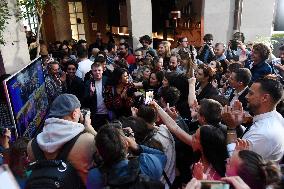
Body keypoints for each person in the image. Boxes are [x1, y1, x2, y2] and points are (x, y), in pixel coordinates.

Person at [27, 94, 96, 185]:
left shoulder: (31, 145)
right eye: (79, 113)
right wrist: (90, 128)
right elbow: (111, 153)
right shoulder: (88, 140)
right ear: (74, 114)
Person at [86, 123, 166, 189]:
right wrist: (137, 147)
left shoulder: (94, 177)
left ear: (99, 153)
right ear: (127, 144)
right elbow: (161, 156)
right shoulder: (147, 164)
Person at [222, 78, 284, 162]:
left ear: (265, 98)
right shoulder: (275, 117)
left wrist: (231, 128)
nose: (246, 96)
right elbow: (251, 134)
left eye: (251, 93)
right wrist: (237, 124)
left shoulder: (263, 134)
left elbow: (234, 159)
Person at [84, 62, 109, 130]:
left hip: (108, 113)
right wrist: (91, 93)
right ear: (92, 71)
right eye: (95, 70)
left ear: (102, 70)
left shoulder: (107, 80)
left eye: (99, 70)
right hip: (96, 114)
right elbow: (85, 100)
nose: (97, 72)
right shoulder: (88, 83)